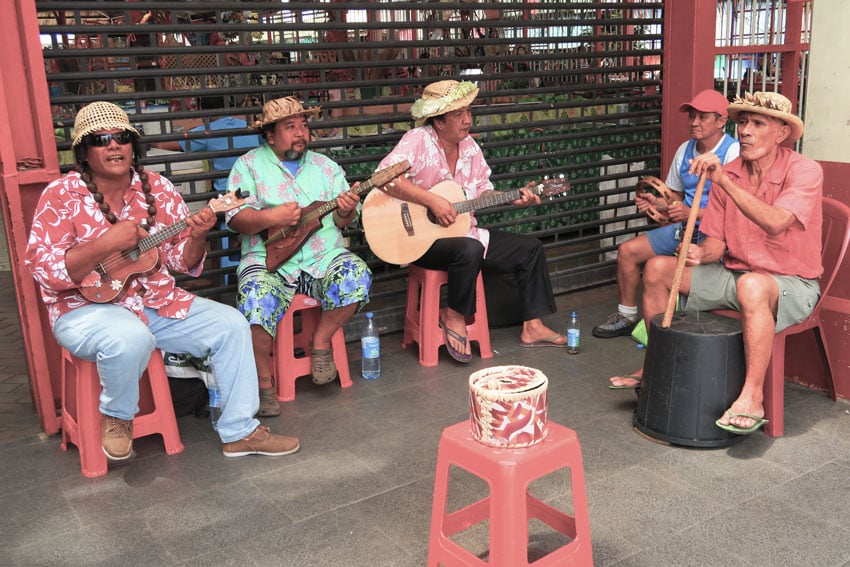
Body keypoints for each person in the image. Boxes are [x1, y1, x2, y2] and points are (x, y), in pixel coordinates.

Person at [25, 101, 299, 461]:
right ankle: (118, 416)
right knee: (130, 336)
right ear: (84, 152)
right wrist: (106, 243)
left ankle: (239, 432)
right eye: (101, 139)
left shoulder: (158, 188)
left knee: (232, 324)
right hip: (83, 310)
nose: (113, 145)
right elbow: (43, 269)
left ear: (132, 145)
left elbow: (179, 260)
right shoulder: (61, 195)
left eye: (121, 137)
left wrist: (199, 234)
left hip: (156, 302)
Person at [612, 92, 822, 435]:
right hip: (734, 273)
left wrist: (722, 180)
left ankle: (752, 397)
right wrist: (697, 255)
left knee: (752, 285)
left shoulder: (804, 171)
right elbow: (715, 245)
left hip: (789, 282)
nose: (746, 131)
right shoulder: (731, 172)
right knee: (658, 269)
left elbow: (775, 221)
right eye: (742, 122)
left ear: (782, 132)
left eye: (758, 123)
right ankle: (656, 368)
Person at [376, 80, 564, 362]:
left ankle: (533, 326)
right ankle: (453, 315)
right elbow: (383, 178)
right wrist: (431, 201)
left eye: (468, 112)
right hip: (421, 242)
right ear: (438, 122)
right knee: (469, 249)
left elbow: (482, 191)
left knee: (530, 248)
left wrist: (511, 197)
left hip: (465, 233)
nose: (467, 120)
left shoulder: (471, 147)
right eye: (457, 114)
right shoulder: (417, 140)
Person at [226, 97, 371, 414]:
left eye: (304, 126)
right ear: (270, 135)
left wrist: (346, 211)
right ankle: (264, 384)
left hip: (322, 259)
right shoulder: (247, 167)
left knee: (356, 275)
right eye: (290, 127)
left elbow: (345, 220)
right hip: (268, 263)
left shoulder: (326, 167)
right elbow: (234, 217)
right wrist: (269, 218)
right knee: (255, 298)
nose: (300, 133)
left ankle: (320, 342)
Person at [593, 89, 740, 339]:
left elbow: (735, 210)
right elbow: (676, 196)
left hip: (717, 231)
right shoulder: (685, 149)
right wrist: (659, 203)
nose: (694, 123)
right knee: (628, 252)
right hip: (686, 225)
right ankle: (627, 315)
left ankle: (677, 327)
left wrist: (692, 213)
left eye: (703, 117)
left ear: (721, 121)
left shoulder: (733, 152)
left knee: (660, 268)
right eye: (691, 116)